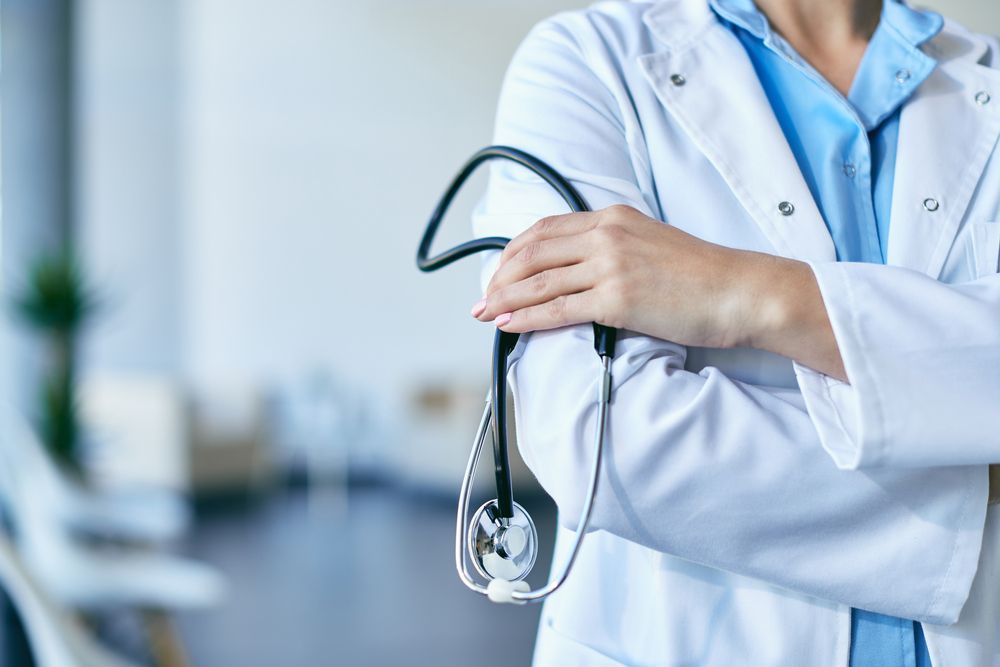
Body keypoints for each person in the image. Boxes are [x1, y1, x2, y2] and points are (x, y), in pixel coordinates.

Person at [469, 0, 1000, 664]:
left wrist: (752, 293)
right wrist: (979, 475)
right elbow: (607, 440)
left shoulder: (987, 77)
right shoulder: (587, 63)